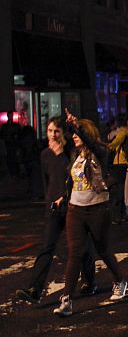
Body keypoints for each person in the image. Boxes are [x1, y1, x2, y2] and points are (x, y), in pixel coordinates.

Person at [54, 111, 128, 317]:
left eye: (78, 133)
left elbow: (90, 142)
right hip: (75, 209)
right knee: (74, 253)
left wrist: (76, 124)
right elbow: (73, 180)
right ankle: (67, 300)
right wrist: (63, 197)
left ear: (87, 133)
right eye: (74, 133)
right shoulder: (74, 155)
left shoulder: (100, 152)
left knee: (102, 250)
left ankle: (120, 280)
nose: (74, 136)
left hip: (98, 208)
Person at [16, 117, 96, 303]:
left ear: (63, 133)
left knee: (80, 246)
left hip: (73, 205)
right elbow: (47, 181)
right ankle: (34, 289)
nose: (52, 135)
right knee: (46, 247)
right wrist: (49, 201)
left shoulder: (72, 152)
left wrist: (67, 197)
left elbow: (76, 178)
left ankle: (89, 282)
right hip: (53, 208)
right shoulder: (45, 154)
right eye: (50, 130)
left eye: (57, 131)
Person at [107, 113, 128, 223]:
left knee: (124, 190)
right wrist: (109, 145)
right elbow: (116, 142)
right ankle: (119, 215)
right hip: (121, 165)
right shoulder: (123, 131)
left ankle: (123, 214)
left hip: (124, 164)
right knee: (122, 190)